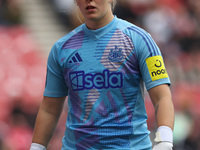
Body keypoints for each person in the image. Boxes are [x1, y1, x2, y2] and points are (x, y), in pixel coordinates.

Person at [30, 0, 175, 149]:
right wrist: (36, 147)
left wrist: (164, 141)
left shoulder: (140, 40)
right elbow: (49, 109)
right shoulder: (61, 49)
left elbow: (162, 96)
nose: (89, 1)